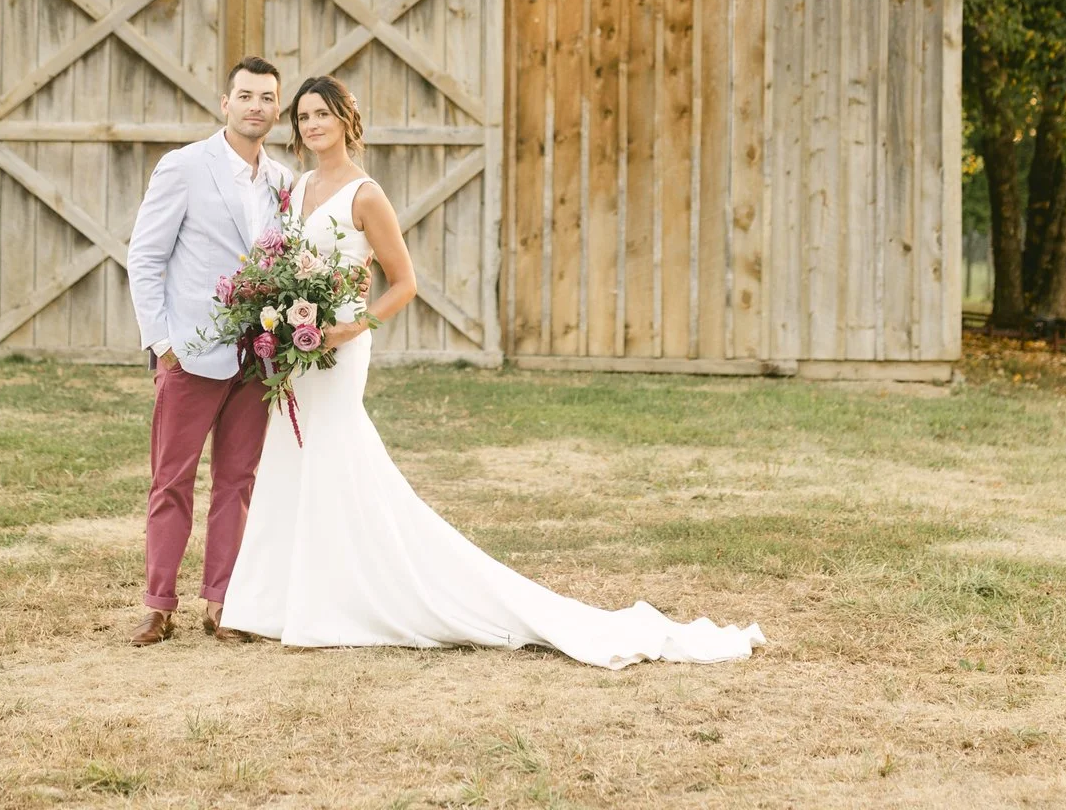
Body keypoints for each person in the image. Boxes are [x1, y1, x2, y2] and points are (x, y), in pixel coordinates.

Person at [220, 75, 766, 669]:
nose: (311, 125)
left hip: (341, 345)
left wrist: (352, 327)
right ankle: (277, 601)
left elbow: (404, 283)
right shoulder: (297, 187)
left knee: (334, 455)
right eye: (302, 117)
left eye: (322, 114)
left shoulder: (365, 194)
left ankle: (349, 597)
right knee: (291, 457)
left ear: (347, 121)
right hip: (299, 348)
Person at [123, 56, 294, 646]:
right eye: (245, 96)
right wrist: (162, 343)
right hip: (190, 353)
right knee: (171, 480)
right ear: (225, 103)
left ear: (277, 108)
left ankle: (223, 602)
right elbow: (145, 257)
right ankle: (158, 604)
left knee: (237, 481)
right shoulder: (184, 167)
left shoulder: (283, 182)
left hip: (257, 358)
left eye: (267, 98)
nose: (256, 106)